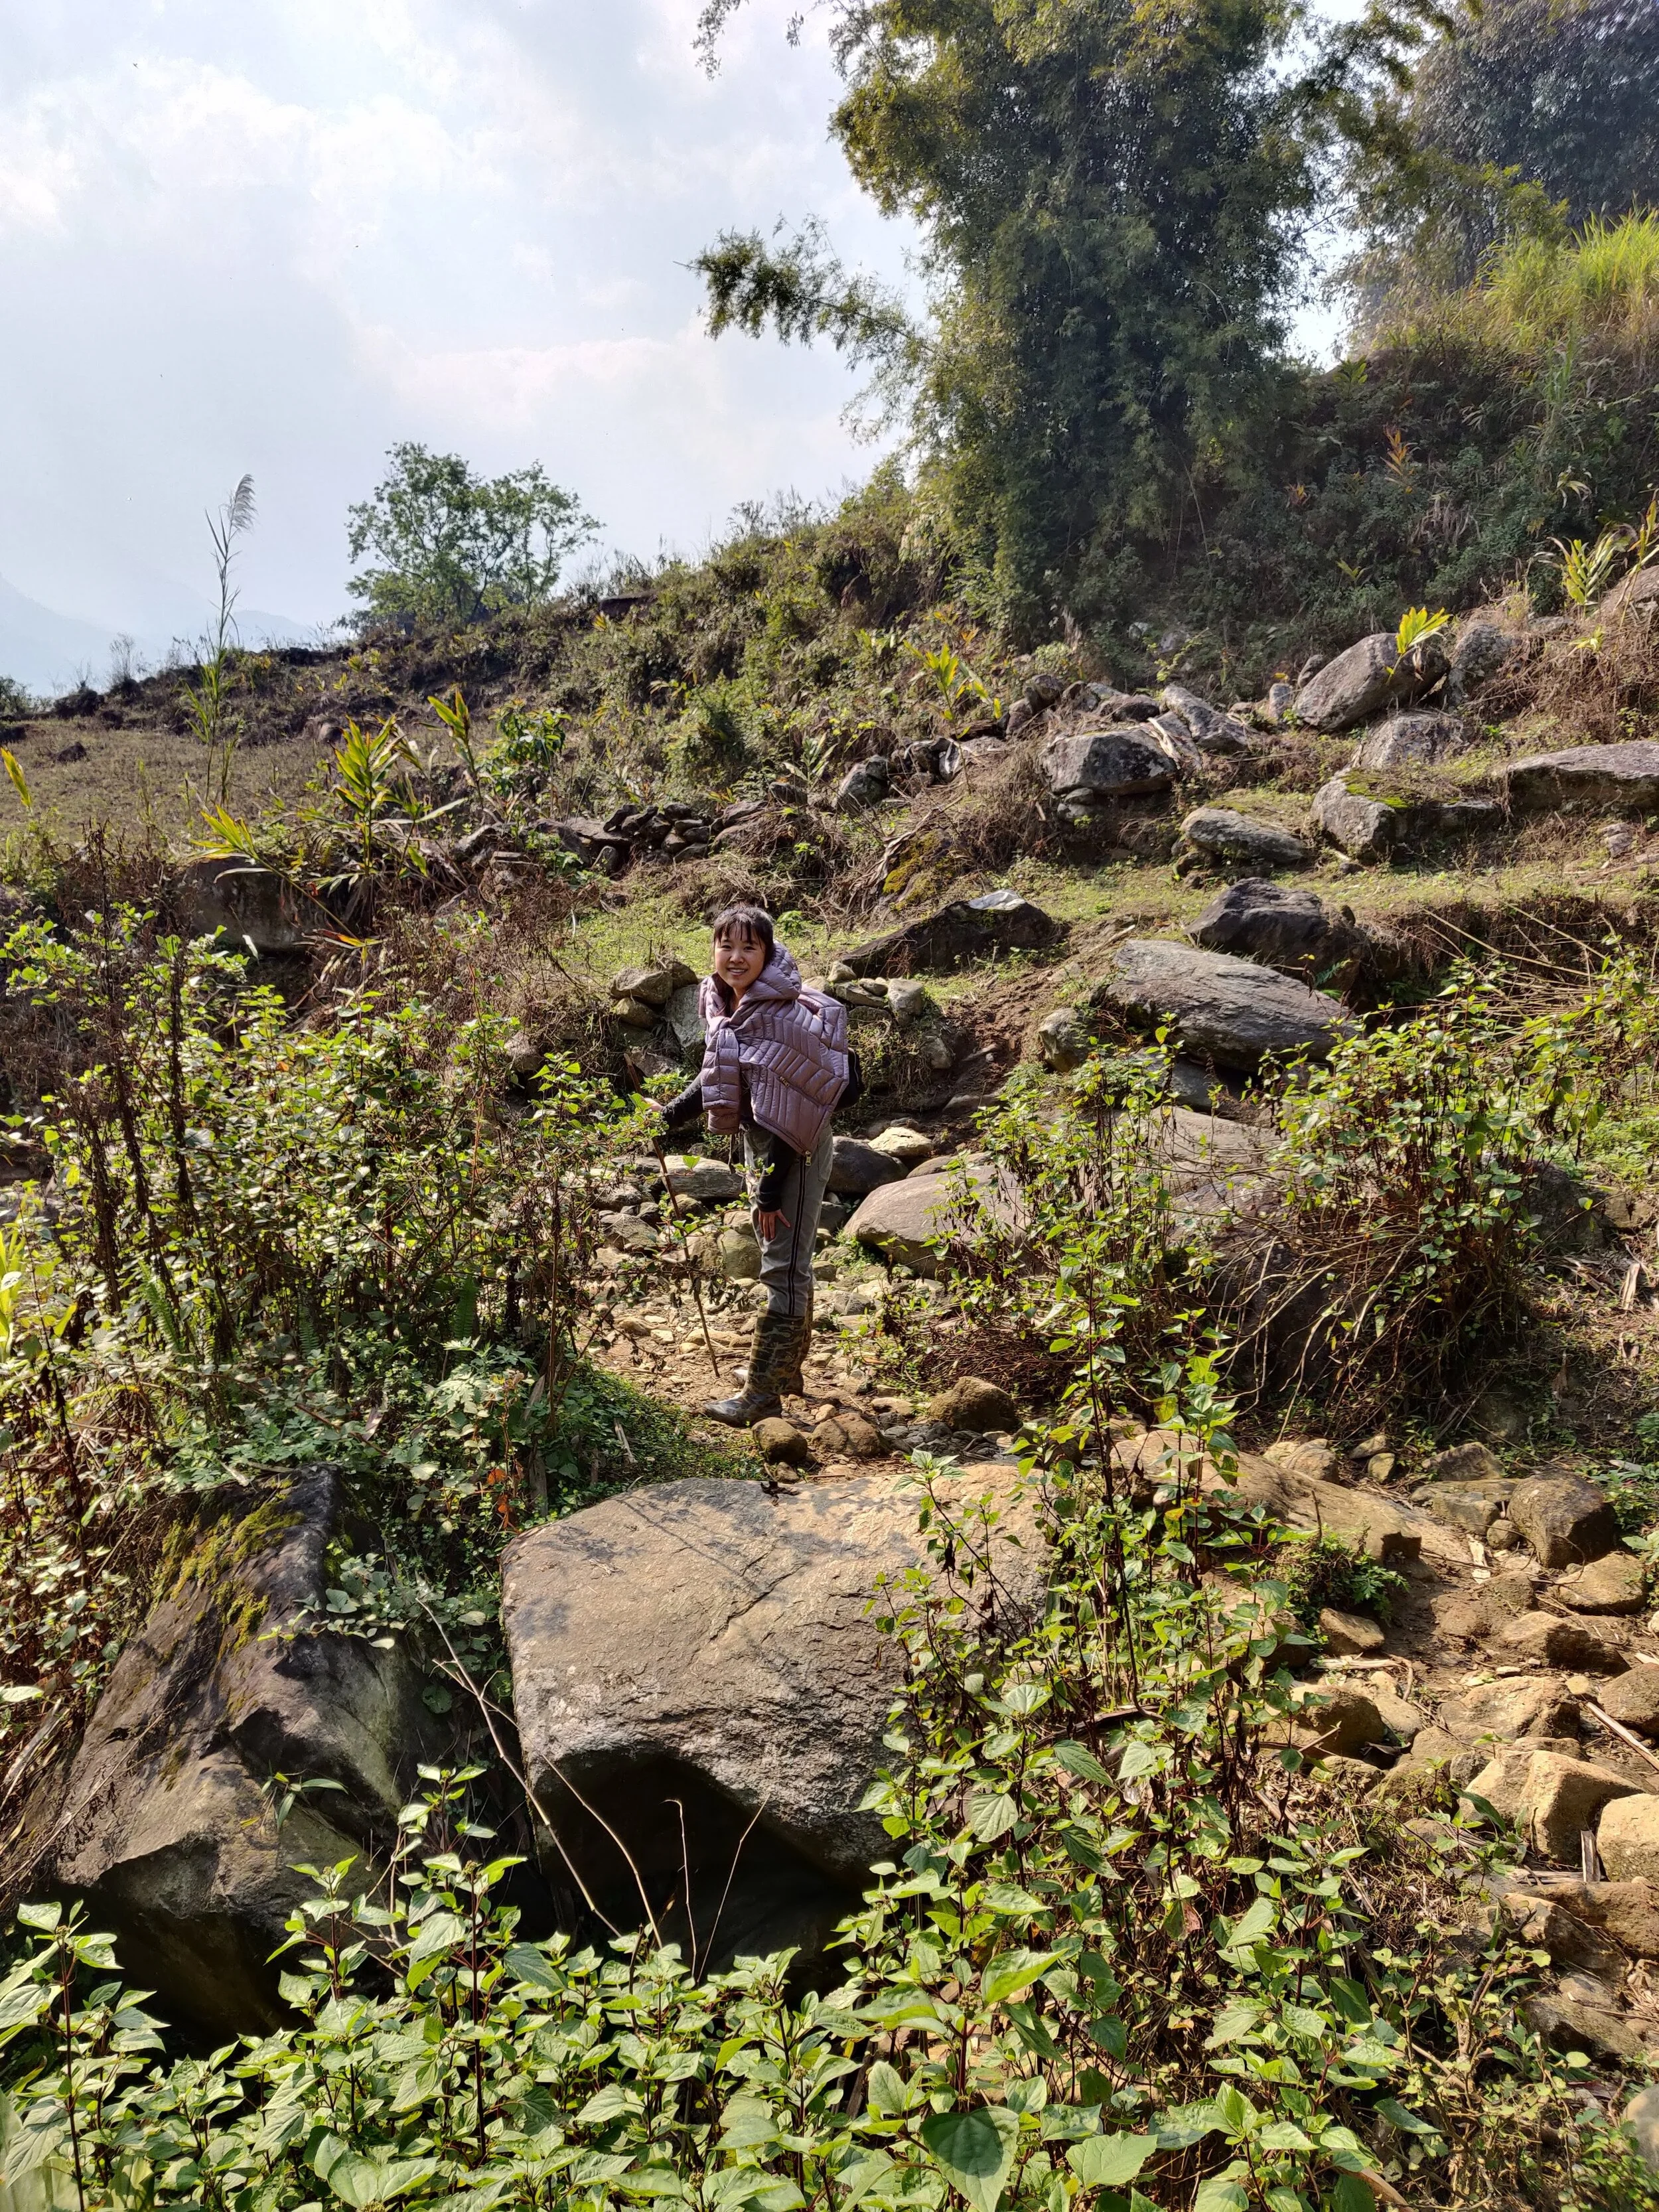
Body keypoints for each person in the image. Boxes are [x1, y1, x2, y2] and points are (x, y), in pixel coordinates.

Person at [656, 905, 853, 1426]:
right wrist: (671, 1116)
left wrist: (770, 1191)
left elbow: (798, 1113)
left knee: (782, 1267)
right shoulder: (729, 1004)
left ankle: (762, 1397)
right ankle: (784, 1371)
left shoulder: (777, 1015)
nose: (735, 956)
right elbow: (722, 1075)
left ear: (767, 954)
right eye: (727, 945)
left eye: (749, 947)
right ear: (714, 950)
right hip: (763, 1143)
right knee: (788, 1262)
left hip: (795, 1148)